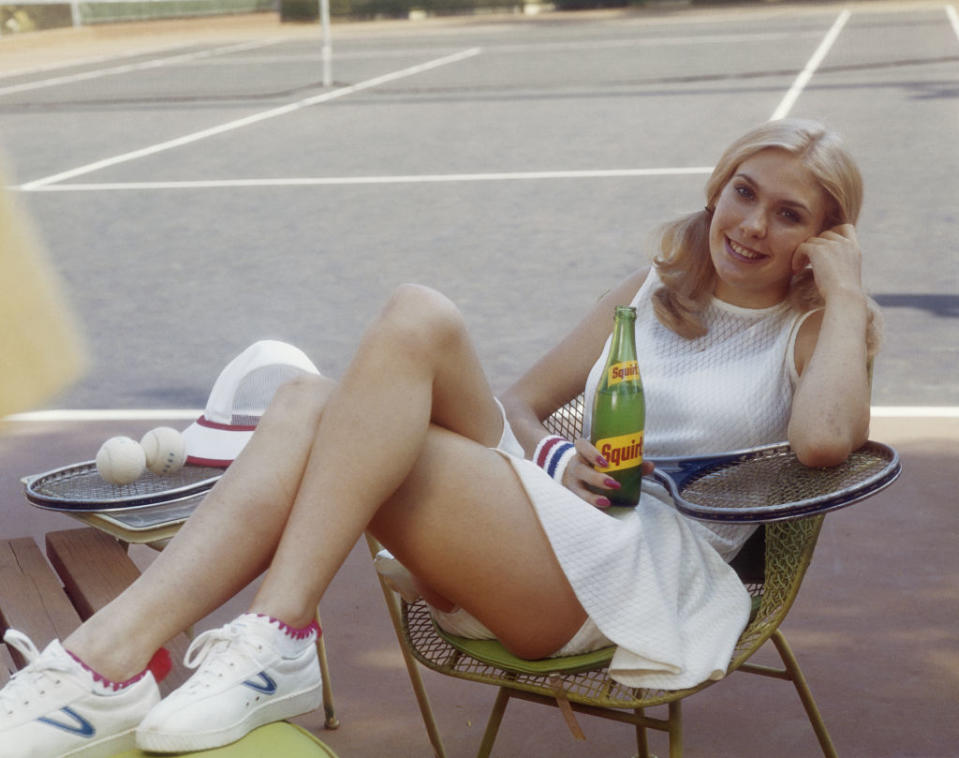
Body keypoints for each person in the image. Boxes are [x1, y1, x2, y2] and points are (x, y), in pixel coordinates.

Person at [0, 118, 880, 758]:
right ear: (717, 186)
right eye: (743, 192)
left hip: (639, 579)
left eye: (789, 214)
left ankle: (240, 642)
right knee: (311, 397)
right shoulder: (652, 290)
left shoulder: (809, 331)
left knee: (354, 409)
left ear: (822, 238)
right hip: (556, 522)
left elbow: (824, 444)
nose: (753, 225)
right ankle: (117, 660)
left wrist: (842, 299)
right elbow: (524, 402)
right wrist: (549, 457)